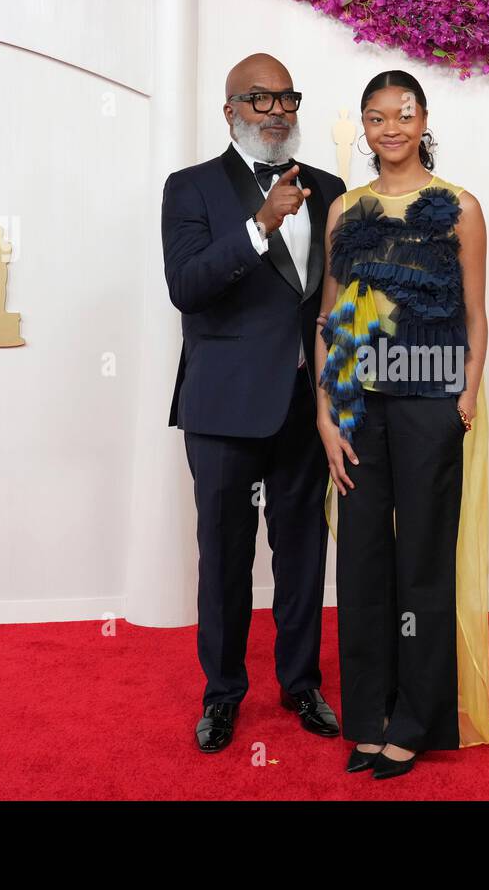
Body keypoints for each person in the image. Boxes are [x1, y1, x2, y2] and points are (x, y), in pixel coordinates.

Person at [315, 70, 489, 779]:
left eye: (403, 113)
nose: (390, 127)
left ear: (424, 120)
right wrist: (328, 416)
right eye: (376, 116)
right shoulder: (346, 211)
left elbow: (478, 313)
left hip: (431, 401)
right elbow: (330, 321)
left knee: (422, 562)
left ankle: (416, 721)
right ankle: (366, 716)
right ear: (363, 126)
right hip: (359, 402)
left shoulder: (460, 207)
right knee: (360, 561)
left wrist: (467, 395)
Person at [162, 53, 346, 753]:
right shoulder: (191, 188)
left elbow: (338, 298)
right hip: (223, 408)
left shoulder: (329, 189)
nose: (277, 112)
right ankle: (222, 694)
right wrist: (258, 225)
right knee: (227, 556)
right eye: (260, 99)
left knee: (302, 553)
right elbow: (187, 284)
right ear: (231, 110)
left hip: (307, 406)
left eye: (286, 99)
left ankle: (301, 684)